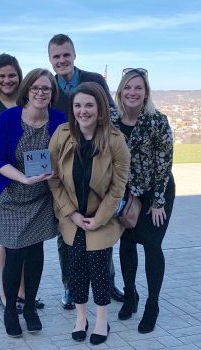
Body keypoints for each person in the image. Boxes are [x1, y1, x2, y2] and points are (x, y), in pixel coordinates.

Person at [49, 82, 130, 345]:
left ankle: (101, 320)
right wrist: (71, 214)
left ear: (100, 109)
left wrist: (99, 219)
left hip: (101, 219)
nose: (83, 111)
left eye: (89, 105)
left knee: (100, 271)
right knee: (77, 272)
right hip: (72, 218)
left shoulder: (115, 140)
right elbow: (54, 180)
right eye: (78, 105)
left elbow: (118, 187)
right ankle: (81, 318)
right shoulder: (62, 135)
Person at [48, 33, 124, 309]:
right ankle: (70, 285)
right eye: (56, 56)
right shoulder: (49, 87)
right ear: (50, 60)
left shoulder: (95, 79)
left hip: (97, 160)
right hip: (65, 164)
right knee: (66, 233)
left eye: (66, 55)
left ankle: (108, 281)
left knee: (103, 228)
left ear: (74, 55)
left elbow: (112, 114)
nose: (62, 60)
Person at [0, 68, 66, 337]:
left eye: (46, 88)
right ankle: (11, 309)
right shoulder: (9, 118)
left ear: (52, 93)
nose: (40, 92)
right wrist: (22, 177)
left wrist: (59, 172)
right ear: (26, 91)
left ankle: (31, 306)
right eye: (35, 88)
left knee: (35, 252)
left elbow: (67, 155)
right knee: (14, 254)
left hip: (42, 197)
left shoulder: (59, 119)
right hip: (11, 197)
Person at [0, 54, 44, 312]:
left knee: (29, 241)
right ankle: (6, 295)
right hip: (1, 181)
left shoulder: (30, 100)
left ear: (20, 76)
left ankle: (25, 293)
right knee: (8, 241)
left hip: (36, 183)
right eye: (1, 76)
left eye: (12, 75)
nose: (7, 80)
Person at [111, 68, 175, 333]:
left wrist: (158, 202)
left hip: (154, 193)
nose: (132, 92)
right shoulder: (112, 121)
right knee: (126, 245)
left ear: (146, 93)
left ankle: (153, 305)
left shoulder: (157, 121)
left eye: (138, 88)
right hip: (125, 194)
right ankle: (130, 295)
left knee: (151, 245)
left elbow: (164, 163)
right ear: (120, 91)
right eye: (128, 87)